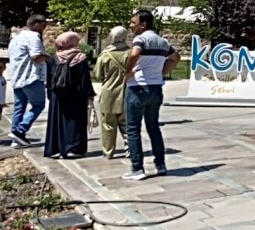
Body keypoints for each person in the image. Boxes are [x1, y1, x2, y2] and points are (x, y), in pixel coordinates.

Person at [122, 10, 180, 181]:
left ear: (143, 24)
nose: (131, 26)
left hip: (138, 87)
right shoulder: (163, 41)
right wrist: (162, 72)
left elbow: (134, 54)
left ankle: (137, 168)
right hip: (155, 88)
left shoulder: (140, 39)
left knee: (133, 129)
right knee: (153, 127)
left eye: (133, 23)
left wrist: (128, 72)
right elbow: (176, 57)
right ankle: (160, 165)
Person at [44, 32, 96, 159]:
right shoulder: (80, 58)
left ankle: (55, 149)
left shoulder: (53, 58)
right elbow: (85, 80)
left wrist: (50, 95)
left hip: (57, 95)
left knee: (57, 121)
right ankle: (73, 149)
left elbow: (49, 80)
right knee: (74, 121)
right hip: (75, 95)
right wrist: (89, 95)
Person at [7, 14, 50, 148]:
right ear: (36, 24)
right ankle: (20, 131)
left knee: (19, 108)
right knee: (38, 105)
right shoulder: (33, 36)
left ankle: (16, 138)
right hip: (31, 77)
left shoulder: (16, 38)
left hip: (17, 77)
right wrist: (50, 57)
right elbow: (36, 56)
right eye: (43, 25)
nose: (44, 29)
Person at [94, 26, 130, 159]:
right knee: (127, 124)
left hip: (108, 93)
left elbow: (97, 75)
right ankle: (131, 148)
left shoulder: (105, 55)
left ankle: (108, 152)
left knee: (108, 124)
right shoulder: (131, 53)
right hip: (126, 91)